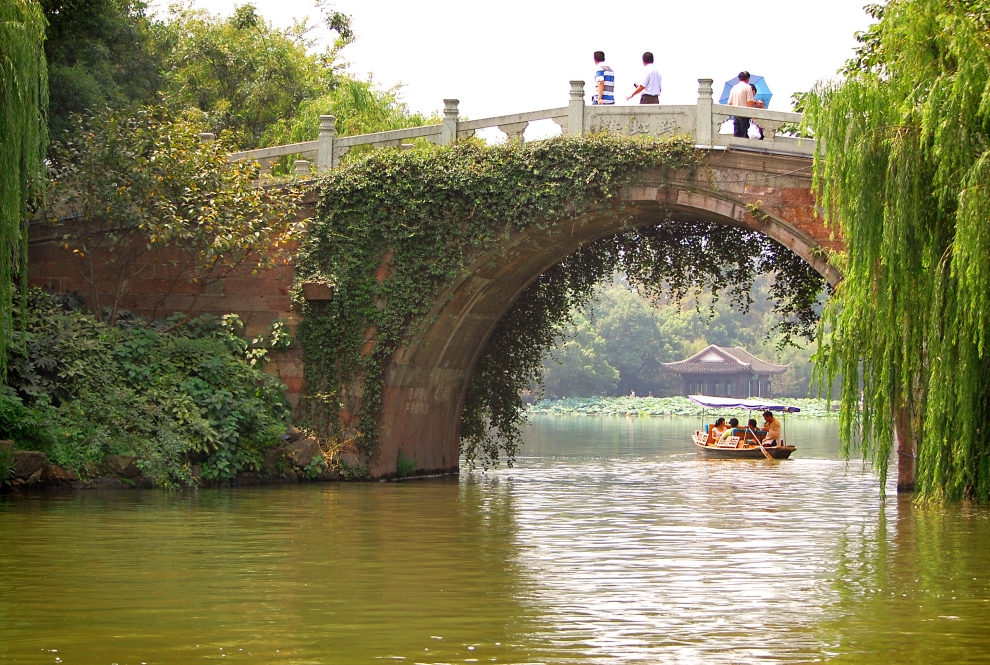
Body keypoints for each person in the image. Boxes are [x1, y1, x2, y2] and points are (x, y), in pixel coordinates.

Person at [727, 71, 763, 138]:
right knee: (744, 135)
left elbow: (729, 103)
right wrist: (752, 116)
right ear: (748, 79)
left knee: (737, 134)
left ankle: (736, 147)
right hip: (745, 115)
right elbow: (749, 102)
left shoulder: (733, 88)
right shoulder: (748, 87)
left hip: (736, 114)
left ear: (739, 79)